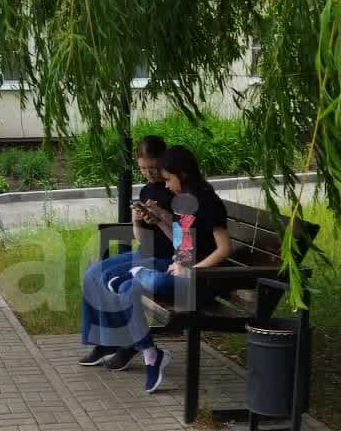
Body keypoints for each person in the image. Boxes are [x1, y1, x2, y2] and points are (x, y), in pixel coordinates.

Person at [78, 143, 234, 393]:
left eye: (169, 179)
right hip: (183, 271)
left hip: (204, 280)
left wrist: (193, 269)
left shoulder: (208, 202)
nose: (167, 186)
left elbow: (224, 249)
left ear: (183, 174)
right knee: (128, 288)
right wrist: (166, 236)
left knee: (153, 281)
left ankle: (139, 273)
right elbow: (182, 245)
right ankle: (151, 355)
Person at [79, 136, 171, 371]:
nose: (149, 174)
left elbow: (183, 238)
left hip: (164, 258)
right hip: (145, 253)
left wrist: (161, 217)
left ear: (164, 161)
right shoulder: (147, 190)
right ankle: (105, 342)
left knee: (111, 280)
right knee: (92, 274)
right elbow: (141, 239)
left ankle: (127, 343)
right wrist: (137, 220)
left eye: (153, 168)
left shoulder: (174, 189)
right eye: (143, 169)